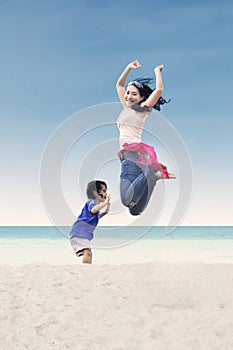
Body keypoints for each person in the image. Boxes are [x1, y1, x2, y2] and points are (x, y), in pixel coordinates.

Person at [116, 60, 176, 216]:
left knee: (125, 200)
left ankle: (151, 172)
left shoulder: (141, 110)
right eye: (128, 93)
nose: (128, 96)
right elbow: (119, 85)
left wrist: (157, 71)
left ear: (142, 98)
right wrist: (128, 67)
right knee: (134, 210)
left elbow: (159, 90)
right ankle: (153, 177)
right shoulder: (126, 107)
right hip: (130, 158)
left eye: (134, 94)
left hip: (133, 155)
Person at [69, 180, 111, 264]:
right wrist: (106, 203)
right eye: (104, 191)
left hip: (80, 233)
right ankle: (86, 269)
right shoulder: (92, 202)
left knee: (88, 252)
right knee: (87, 252)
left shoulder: (95, 206)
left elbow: (95, 217)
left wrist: (105, 212)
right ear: (95, 192)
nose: (106, 193)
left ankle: (87, 268)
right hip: (79, 233)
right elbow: (93, 210)